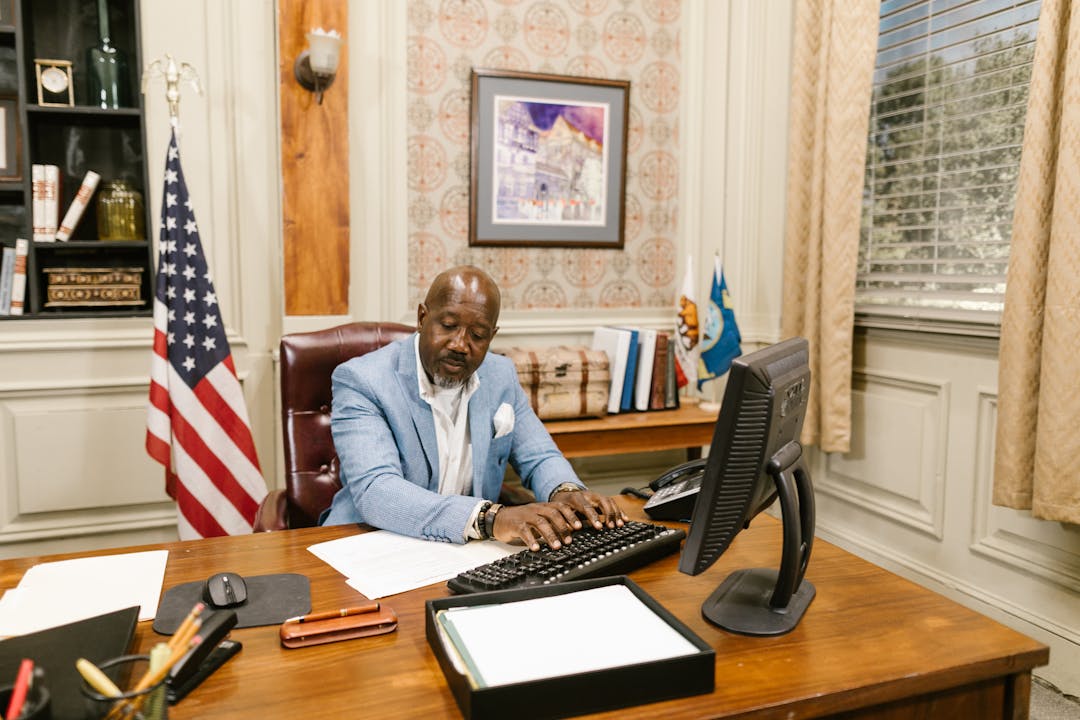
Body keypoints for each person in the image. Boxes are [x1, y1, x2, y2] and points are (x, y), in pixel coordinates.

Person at [320, 265, 627, 550]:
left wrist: (567, 493)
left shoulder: (500, 374)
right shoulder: (363, 380)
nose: (460, 344)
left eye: (478, 335)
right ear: (422, 317)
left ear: (492, 336)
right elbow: (377, 491)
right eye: (449, 325)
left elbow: (540, 456)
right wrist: (489, 518)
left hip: (464, 550)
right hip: (369, 544)